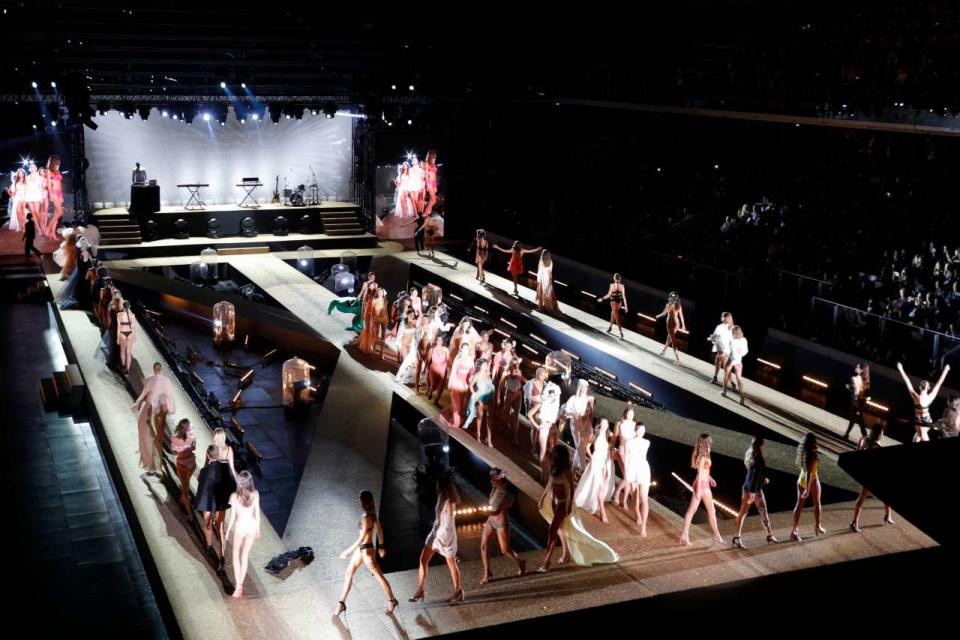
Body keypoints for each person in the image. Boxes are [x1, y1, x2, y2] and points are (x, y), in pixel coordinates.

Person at [336, 490, 398, 615]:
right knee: (349, 573)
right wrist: (381, 546)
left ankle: (392, 600)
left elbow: (361, 538)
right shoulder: (372, 515)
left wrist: (347, 552)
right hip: (364, 549)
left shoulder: (366, 517)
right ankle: (341, 603)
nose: (359, 502)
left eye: (360, 500)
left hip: (367, 552)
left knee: (379, 577)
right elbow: (380, 532)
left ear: (363, 502)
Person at [410, 475, 463, 604]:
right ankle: (420, 589)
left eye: (438, 484)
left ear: (443, 486)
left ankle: (458, 591)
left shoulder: (450, 503)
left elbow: (449, 525)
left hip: (446, 538)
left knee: (451, 565)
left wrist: (446, 547)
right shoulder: (440, 497)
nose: (436, 486)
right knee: (423, 560)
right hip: (434, 535)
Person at [194, 444, 237, 572]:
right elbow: (233, 486)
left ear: (208, 455)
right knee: (220, 528)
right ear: (218, 454)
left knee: (207, 524)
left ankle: (208, 546)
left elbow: (201, 489)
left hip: (207, 501)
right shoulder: (225, 467)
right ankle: (222, 556)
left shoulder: (205, 471)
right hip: (220, 501)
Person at [479, 468, 525, 585]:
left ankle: (520, 562)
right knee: (483, 546)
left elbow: (496, 511)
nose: (491, 480)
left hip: (501, 522)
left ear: (499, 479)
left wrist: (480, 512)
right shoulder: (493, 490)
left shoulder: (508, 495)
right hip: (490, 521)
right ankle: (487, 572)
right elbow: (491, 509)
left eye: (493, 478)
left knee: (505, 550)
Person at [131, 362, 177, 476]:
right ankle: (157, 464)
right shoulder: (166, 380)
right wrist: (170, 409)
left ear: (153, 369)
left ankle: (154, 465)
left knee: (149, 436)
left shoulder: (149, 379)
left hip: (151, 409)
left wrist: (137, 403)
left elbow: (144, 393)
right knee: (157, 437)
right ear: (160, 370)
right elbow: (170, 395)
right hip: (161, 409)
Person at [732, 437, 777, 548]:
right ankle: (769, 535)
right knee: (762, 511)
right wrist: (753, 492)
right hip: (754, 490)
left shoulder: (749, 454)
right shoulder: (759, 458)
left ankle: (737, 537)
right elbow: (755, 475)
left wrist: (762, 479)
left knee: (743, 513)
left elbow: (752, 473)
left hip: (747, 486)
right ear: (760, 445)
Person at [679, 433, 723, 546]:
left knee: (691, 511)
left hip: (702, 483)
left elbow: (704, 471)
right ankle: (716, 536)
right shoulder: (703, 456)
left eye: (709, 442)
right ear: (702, 444)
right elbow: (699, 473)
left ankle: (684, 536)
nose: (709, 444)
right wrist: (698, 490)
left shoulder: (703, 454)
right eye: (707, 442)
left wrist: (710, 478)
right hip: (702, 485)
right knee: (711, 511)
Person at [612, 408, 651, 532]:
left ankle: (643, 524)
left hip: (643, 468)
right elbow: (616, 438)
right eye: (629, 413)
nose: (631, 415)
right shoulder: (621, 424)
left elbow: (643, 455)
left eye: (632, 414)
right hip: (626, 455)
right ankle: (636, 511)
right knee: (633, 491)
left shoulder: (646, 441)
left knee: (643, 496)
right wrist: (613, 448)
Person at [850, 425, 895, 533]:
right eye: (882, 433)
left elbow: (857, 451)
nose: (883, 434)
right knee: (861, 499)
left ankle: (888, 515)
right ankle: (854, 522)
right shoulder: (877, 447)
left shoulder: (865, 440)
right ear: (878, 434)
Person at [225, 471, 261, 598]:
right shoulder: (255, 494)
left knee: (235, 555)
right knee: (245, 555)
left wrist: (228, 530)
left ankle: (238, 586)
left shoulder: (234, 496)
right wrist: (258, 529)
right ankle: (240, 584)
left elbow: (232, 516)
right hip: (251, 526)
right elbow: (257, 514)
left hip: (240, 527)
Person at [896, 362, 951, 441]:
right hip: (927, 419)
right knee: (916, 438)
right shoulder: (930, 396)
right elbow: (939, 383)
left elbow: (907, 381)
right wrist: (945, 370)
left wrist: (901, 369)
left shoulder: (916, 397)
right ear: (928, 388)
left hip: (921, 421)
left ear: (919, 387)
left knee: (922, 438)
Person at [574, 418, 616, 523]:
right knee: (600, 486)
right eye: (603, 423)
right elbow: (587, 447)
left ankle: (595, 505)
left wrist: (606, 466)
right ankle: (603, 512)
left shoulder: (608, 436)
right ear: (600, 424)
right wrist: (592, 457)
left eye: (607, 423)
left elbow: (608, 451)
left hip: (603, 462)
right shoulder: (595, 434)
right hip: (596, 461)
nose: (605, 425)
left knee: (599, 485)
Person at [790, 433, 824, 541]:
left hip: (809, 478)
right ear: (813, 442)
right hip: (807, 480)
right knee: (802, 505)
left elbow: (810, 472)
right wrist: (807, 490)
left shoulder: (805, 452)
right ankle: (794, 532)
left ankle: (817, 526)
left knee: (816, 503)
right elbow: (809, 473)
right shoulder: (811, 455)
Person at [565, 380, 595, 474]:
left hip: (586, 426)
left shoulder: (590, 399)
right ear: (579, 387)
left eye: (586, 387)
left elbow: (590, 413)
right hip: (575, 425)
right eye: (583, 387)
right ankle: (583, 469)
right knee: (579, 447)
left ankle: (574, 469)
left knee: (580, 448)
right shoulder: (573, 398)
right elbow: (566, 413)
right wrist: (574, 415)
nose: (585, 389)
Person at [464, 358, 495, 446]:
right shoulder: (476, 375)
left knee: (490, 417)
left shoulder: (488, 374)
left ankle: (489, 439)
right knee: (480, 417)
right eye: (484, 365)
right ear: (480, 366)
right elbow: (470, 387)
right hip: (480, 398)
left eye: (486, 364)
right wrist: (476, 397)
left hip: (489, 397)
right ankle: (478, 435)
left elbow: (490, 386)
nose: (486, 366)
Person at [529, 381, 561, 466]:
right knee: (543, 450)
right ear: (547, 394)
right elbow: (529, 414)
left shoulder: (555, 406)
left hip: (552, 427)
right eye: (551, 395)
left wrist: (552, 422)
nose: (552, 397)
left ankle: (550, 467)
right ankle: (543, 471)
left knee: (554, 449)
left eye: (554, 395)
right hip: (543, 428)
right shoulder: (541, 403)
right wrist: (537, 426)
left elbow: (557, 416)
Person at [169, 419, 197, 513]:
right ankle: (182, 499)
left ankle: (190, 514)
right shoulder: (192, 437)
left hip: (182, 466)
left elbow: (174, 452)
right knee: (186, 483)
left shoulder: (174, 438)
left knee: (185, 490)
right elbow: (194, 448)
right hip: (192, 465)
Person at [445, 343, 475, 428]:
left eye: (467, 349)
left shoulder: (470, 359)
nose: (466, 350)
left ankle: (460, 419)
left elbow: (471, 373)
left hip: (465, 384)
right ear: (461, 349)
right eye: (464, 348)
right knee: (456, 403)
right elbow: (453, 372)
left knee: (463, 404)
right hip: (457, 383)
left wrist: (471, 382)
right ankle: (456, 421)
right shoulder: (458, 358)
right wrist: (450, 383)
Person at [497, 360, 526, 443]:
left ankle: (515, 436)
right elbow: (500, 387)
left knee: (516, 415)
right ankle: (505, 429)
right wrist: (498, 398)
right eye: (513, 366)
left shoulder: (518, 373)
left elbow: (525, 381)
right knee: (506, 413)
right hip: (509, 393)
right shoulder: (506, 374)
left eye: (516, 366)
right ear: (510, 367)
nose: (515, 368)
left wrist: (519, 376)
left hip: (518, 395)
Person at [721, 325, 749, 405]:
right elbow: (746, 351)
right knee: (739, 378)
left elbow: (733, 352)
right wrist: (741, 354)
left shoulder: (732, 341)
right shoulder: (744, 340)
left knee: (726, 375)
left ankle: (724, 391)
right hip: (738, 361)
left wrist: (738, 355)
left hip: (732, 360)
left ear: (733, 333)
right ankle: (742, 398)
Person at [657, 291, 686, 365]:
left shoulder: (669, 304)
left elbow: (664, 313)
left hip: (671, 323)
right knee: (669, 337)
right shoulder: (678, 306)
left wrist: (658, 316)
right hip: (677, 323)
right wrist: (683, 325)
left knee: (673, 341)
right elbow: (681, 316)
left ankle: (677, 359)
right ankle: (664, 351)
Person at [843, 363, 871, 440]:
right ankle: (847, 433)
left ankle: (866, 437)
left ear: (861, 370)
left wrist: (849, 388)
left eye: (858, 367)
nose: (856, 367)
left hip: (857, 402)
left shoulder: (856, 379)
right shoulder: (866, 380)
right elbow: (865, 393)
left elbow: (856, 392)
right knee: (855, 418)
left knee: (858, 419)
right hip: (859, 402)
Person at [597, 273, 628, 338]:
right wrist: (625, 306)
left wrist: (602, 298)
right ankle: (610, 327)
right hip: (619, 302)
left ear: (614, 278)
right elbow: (624, 297)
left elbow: (608, 295)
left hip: (614, 302)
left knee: (616, 316)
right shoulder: (622, 286)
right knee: (613, 314)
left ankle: (620, 332)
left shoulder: (612, 285)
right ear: (620, 278)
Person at [709, 312, 734, 384]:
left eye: (723, 316)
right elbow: (715, 336)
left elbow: (714, 337)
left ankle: (731, 381)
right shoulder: (721, 326)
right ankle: (715, 377)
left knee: (725, 365)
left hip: (724, 349)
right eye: (722, 316)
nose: (721, 317)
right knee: (718, 360)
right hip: (723, 349)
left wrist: (712, 338)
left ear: (727, 318)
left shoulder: (729, 327)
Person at [45, 156, 63, 239]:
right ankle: (48, 228)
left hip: (59, 193)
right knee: (60, 212)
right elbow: (48, 184)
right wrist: (50, 196)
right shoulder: (48, 171)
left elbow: (60, 183)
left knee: (56, 213)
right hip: (54, 193)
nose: (59, 163)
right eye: (58, 162)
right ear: (53, 162)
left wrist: (62, 195)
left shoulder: (58, 170)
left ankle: (53, 234)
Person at [116, 300, 136, 375]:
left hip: (122, 333)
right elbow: (133, 327)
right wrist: (134, 336)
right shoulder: (132, 315)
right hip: (129, 334)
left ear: (123, 306)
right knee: (128, 353)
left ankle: (123, 365)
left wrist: (117, 338)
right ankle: (127, 370)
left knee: (122, 351)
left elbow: (118, 327)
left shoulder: (119, 315)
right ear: (129, 306)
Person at [423, 150, 439, 216]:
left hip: (434, 183)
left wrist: (435, 185)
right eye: (434, 154)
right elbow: (426, 175)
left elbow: (434, 174)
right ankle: (424, 214)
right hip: (429, 183)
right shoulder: (427, 163)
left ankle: (428, 213)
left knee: (431, 200)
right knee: (434, 200)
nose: (436, 156)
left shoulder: (434, 163)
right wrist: (427, 185)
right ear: (431, 155)